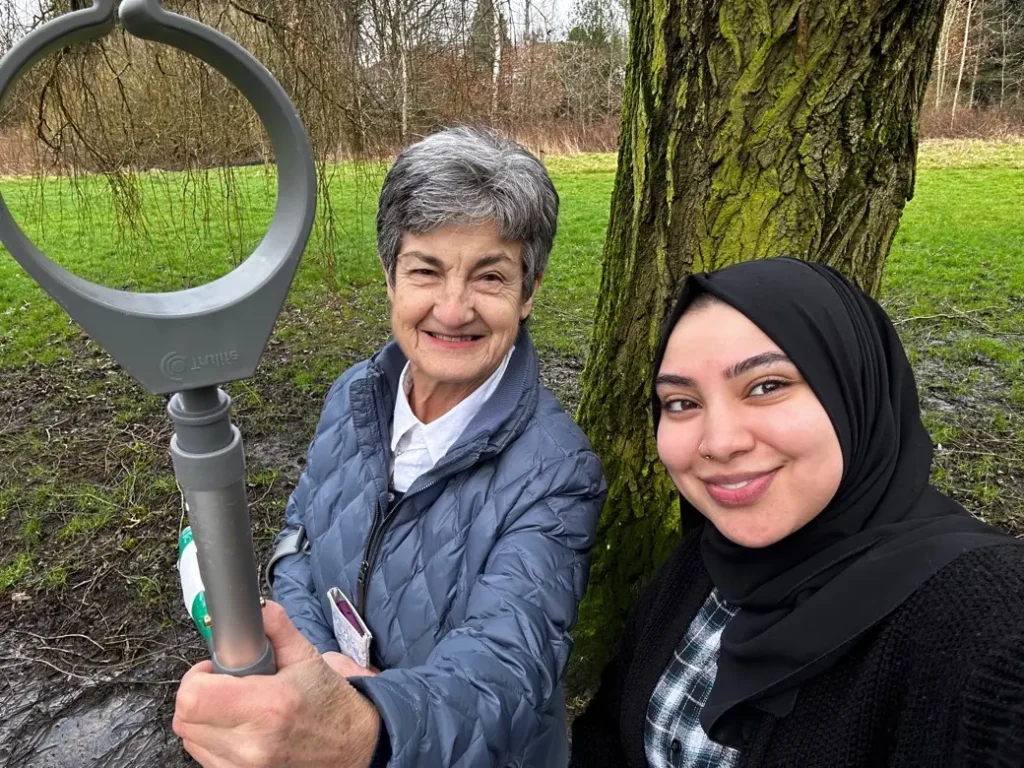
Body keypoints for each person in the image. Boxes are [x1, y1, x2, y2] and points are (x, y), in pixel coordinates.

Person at [172, 126, 607, 767]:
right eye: (425, 270)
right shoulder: (355, 394)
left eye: (490, 276)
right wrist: (322, 664)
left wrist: (364, 723)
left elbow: (507, 668)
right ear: (390, 279)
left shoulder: (558, 472)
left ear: (529, 291)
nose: (452, 309)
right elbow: (300, 544)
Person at [570, 257, 1024, 767]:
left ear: (855, 391)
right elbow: (610, 734)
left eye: (767, 386)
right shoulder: (704, 562)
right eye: (681, 402)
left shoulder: (982, 616)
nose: (719, 443)